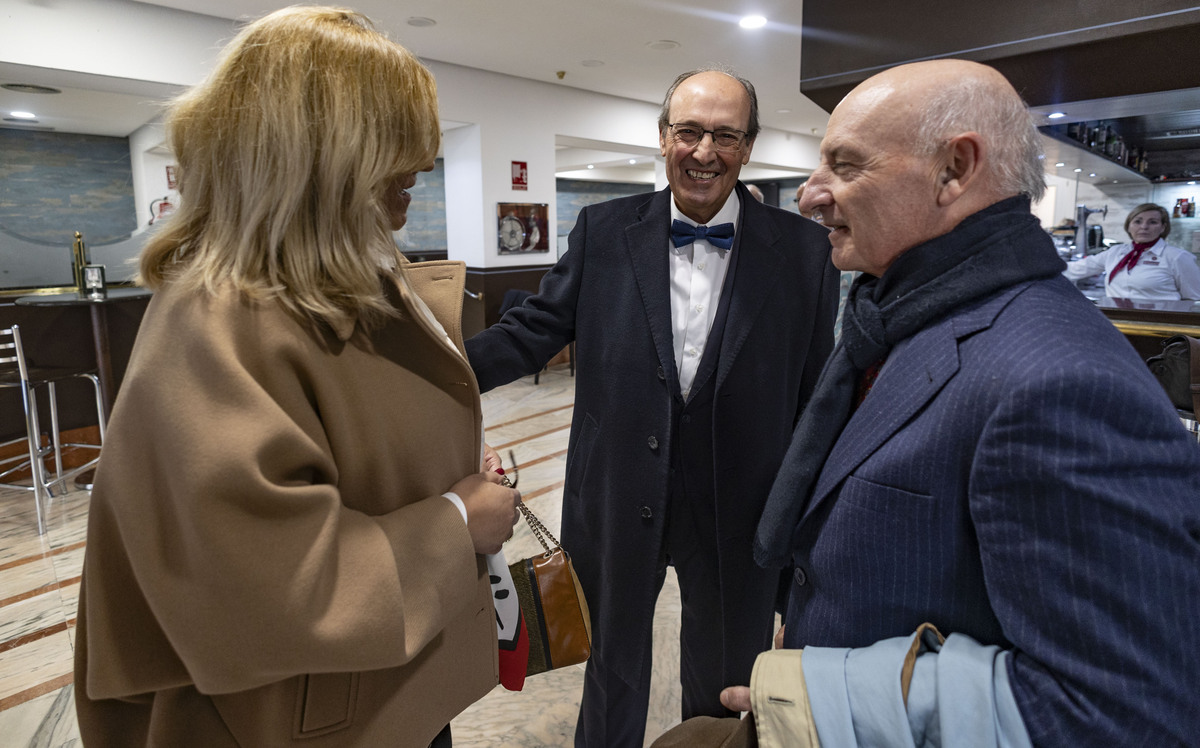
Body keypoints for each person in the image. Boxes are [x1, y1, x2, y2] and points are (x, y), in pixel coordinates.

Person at [657, 59, 1200, 747]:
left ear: (955, 169)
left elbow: (1132, 714)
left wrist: (829, 696)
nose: (810, 195)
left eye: (846, 166)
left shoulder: (1060, 386)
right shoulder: (904, 319)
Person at [74, 8, 521, 747]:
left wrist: (450, 475)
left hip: (376, 691)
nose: (424, 163)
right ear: (321, 154)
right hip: (291, 719)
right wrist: (457, 520)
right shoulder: (216, 320)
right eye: (398, 141)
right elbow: (269, 589)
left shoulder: (327, 281)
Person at [466, 67, 840, 747]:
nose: (704, 152)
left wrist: (808, 530)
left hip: (741, 508)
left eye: (725, 135)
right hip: (615, 496)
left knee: (727, 678)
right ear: (663, 136)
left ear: (749, 145)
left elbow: (816, 398)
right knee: (612, 669)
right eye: (689, 131)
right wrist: (442, 379)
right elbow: (533, 331)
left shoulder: (807, 253)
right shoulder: (604, 231)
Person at [1063, 202, 1200, 299]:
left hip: (1159, 327)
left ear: (1163, 228)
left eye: (1152, 222)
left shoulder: (1178, 257)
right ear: (1128, 226)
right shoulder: (1115, 253)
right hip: (1118, 324)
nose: (1144, 227)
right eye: (1138, 221)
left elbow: (1194, 300)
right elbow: (1075, 269)